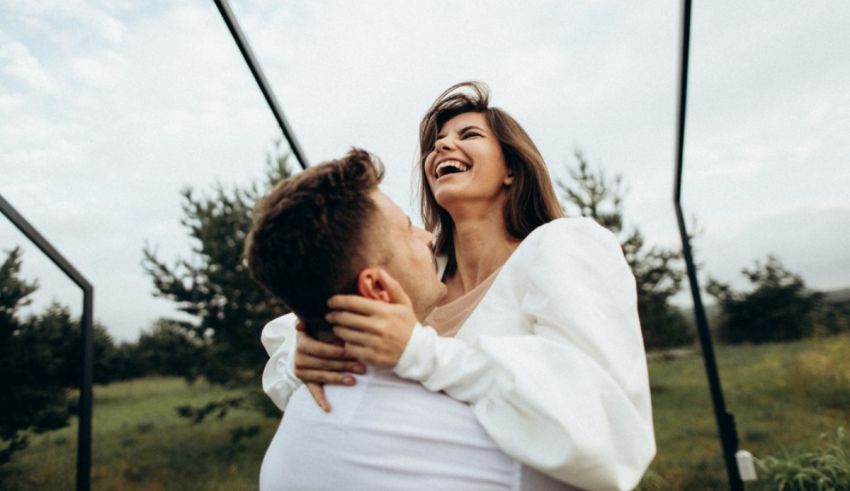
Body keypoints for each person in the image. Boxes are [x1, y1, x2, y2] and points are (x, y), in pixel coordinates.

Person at [266, 82, 656, 490]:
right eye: (436, 143)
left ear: (511, 169)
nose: (442, 147)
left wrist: (420, 351)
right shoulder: (418, 272)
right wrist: (312, 347)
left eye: (468, 135)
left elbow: (605, 423)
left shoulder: (563, 244)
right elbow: (292, 327)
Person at [246, 149, 571, 490]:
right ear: (376, 287)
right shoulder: (481, 445)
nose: (427, 236)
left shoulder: (287, 445)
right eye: (407, 228)